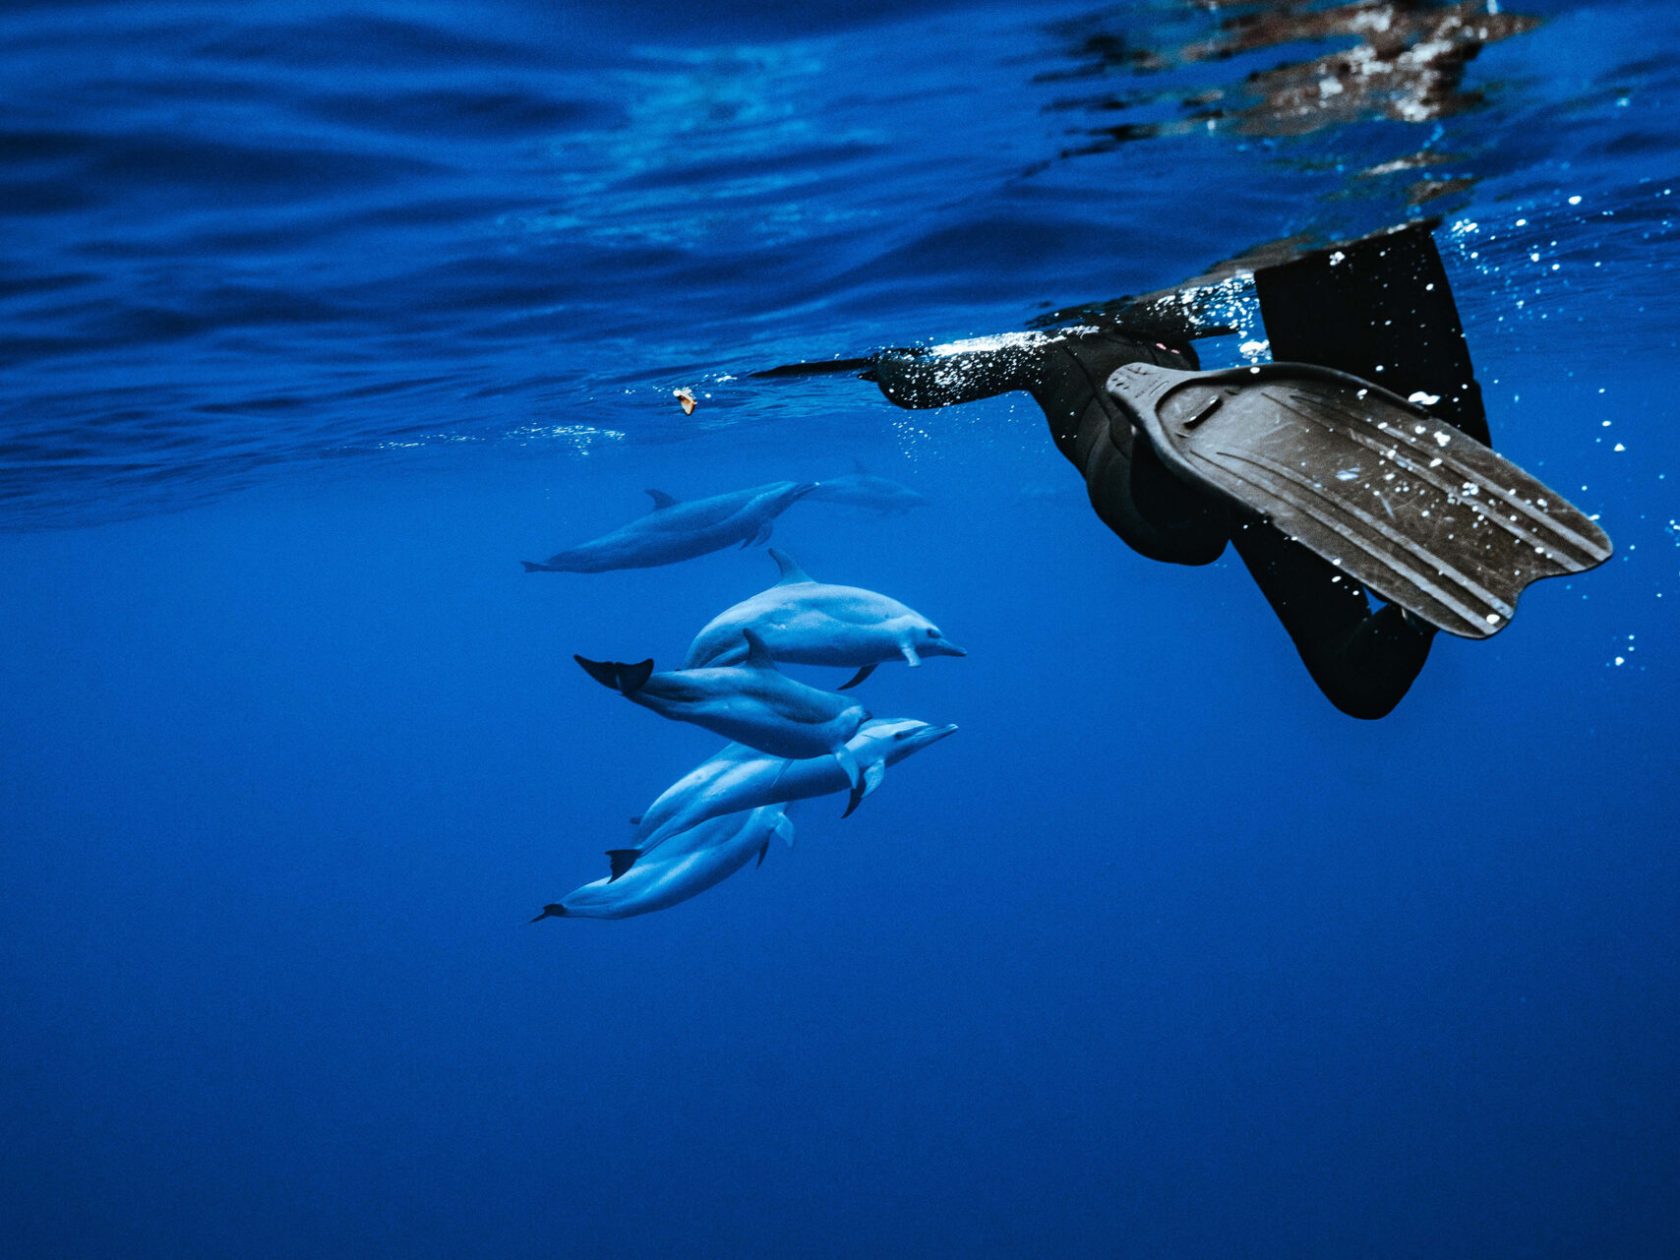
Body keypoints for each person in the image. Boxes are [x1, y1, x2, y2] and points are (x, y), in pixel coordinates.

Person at [854, 222, 1609, 719]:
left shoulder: (1084, 335)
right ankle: (1371, 241)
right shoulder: (1041, 347)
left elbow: (924, 387)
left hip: (1220, 480)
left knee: (1359, 685)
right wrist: (895, 372)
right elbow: (927, 386)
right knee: (1194, 533)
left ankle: (1404, 598)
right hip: (1168, 493)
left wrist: (889, 367)